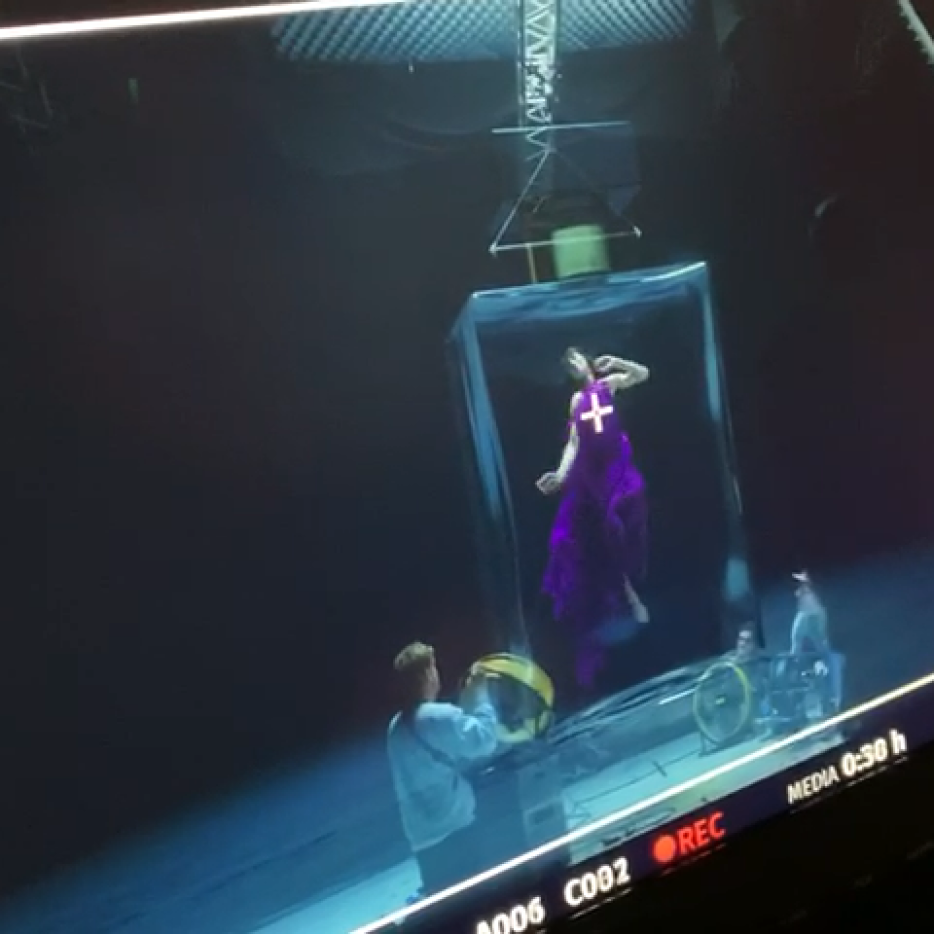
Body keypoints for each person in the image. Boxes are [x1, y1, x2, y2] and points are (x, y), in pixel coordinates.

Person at [536, 348, 650, 691]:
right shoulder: (576, 401)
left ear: (585, 361)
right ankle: (626, 599)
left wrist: (617, 362)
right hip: (593, 474)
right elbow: (573, 443)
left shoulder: (607, 385)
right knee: (598, 537)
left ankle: (632, 591)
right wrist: (560, 474)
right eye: (567, 364)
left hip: (618, 469)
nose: (574, 365)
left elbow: (642, 374)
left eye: (575, 359)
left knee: (627, 525)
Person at [386, 642, 499, 897]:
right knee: (478, 902)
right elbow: (484, 741)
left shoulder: (394, 729)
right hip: (456, 834)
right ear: (427, 675)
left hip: (423, 843)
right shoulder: (436, 716)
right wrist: (481, 697)